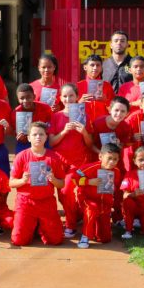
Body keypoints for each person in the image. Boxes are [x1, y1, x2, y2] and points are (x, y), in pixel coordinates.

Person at [9, 122, 66, 246]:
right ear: (29, 138)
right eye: (34, 134)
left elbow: (61, 184)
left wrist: (53, 180)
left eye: (41, 134)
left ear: (46, 137)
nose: (38, 137)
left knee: (56, 240)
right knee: (18, 240)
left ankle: (40, 226)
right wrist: (22, 181)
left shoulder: (54, 157)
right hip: (25, 201)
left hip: (46, 201)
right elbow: (11, 183)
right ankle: (32, 225)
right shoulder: (21, 156)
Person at [49, 82, 92, 238]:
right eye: (65, 96)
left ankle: (70, 224)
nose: (68, 99)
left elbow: (89, 143)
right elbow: (52, 142)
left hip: (77, 161)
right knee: (62, 194)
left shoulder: (84, 116)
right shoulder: (55, 116)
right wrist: (64, 131)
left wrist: (84, 132)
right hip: (59, 161)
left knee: (67, 190)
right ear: (61, 98)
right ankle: (75, 216)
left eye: (71, 95)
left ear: (77, 97)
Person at [68, 142, 122, 248]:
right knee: (92, 209)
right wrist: (89, 182)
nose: (112, 162)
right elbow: (74, 178)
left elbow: (114, 188)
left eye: (115, 159)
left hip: (104, 204)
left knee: (105, 238)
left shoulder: (116, 172)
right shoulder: (90, 167)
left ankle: (95, 228)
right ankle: (85, 237)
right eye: (109, 158)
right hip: (87, 199)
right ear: (100, 156)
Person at [13, 83, 53, 154]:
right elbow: (15, 131)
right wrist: (19, 136)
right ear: (18, 99)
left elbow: (51, 125)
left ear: (34, 97)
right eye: (22, 98)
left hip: (42, 139)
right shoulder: (16, 112)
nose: (25, 100)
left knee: (48, 156)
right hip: (25, 141)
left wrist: (44, 132)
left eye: (28, 97)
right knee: (20, 156)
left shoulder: (45, 108)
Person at [77, 54, 114, 125]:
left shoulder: (107, 85)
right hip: (84, 124)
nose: (95, 68)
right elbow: (70, 110)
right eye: (92, 65)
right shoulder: (78, 85)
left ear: (101, 68)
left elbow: (115, 109)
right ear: (85, 67)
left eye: (98, 65)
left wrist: (106, 101)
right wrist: (80, 101)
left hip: (103, 123)